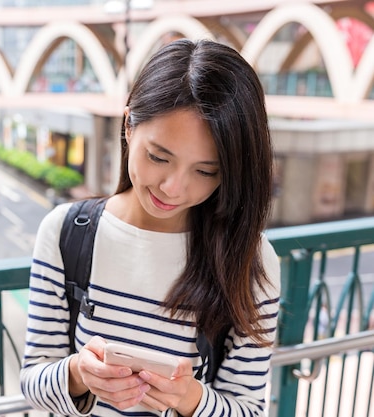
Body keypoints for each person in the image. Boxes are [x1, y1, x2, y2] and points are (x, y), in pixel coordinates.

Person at [20, 38, 281, 417]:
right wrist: (79, 374)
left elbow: (250, 410)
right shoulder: (67, 233)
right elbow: (33, 381)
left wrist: (190, 399)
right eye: (159, 157)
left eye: (206, 171)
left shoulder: (250, 260)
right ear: (129, 126)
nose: (173, 188)